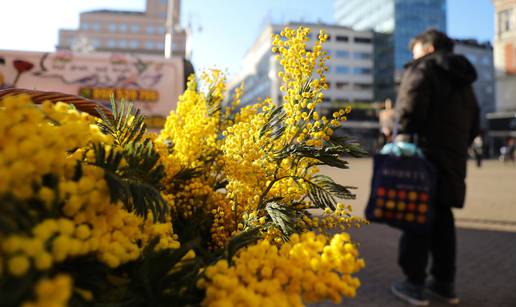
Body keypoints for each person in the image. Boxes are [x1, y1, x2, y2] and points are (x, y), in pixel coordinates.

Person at [390, 29, 480, 306]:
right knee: (443, 217)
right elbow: (474, 122)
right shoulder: (464, 81)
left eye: (415, 48)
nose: (413, 54)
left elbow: (409, 108)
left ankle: (414, 284)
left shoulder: (423, 68)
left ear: (428, 48)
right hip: (452, 158)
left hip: (423, 155)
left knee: (416, 216)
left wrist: (401, 137)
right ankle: (444, 284)